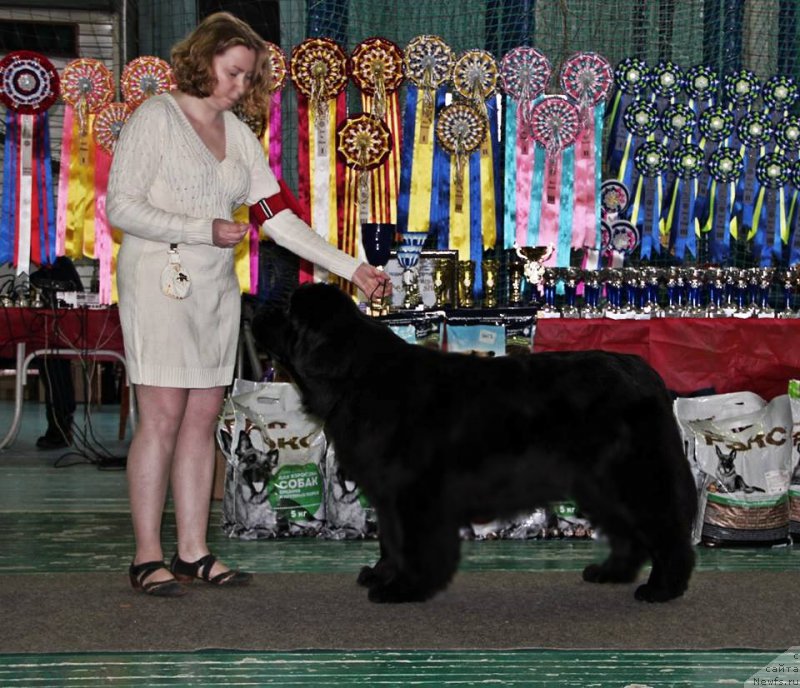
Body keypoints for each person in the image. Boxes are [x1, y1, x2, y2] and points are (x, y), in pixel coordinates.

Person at [107, 12, 391, 597]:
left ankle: (193, 552)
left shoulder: (238, 135)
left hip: (213, 287)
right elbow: (121, 208)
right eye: (233, 73)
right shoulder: (154, 117)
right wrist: (200, 227)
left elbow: (278, 219)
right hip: (160, 281)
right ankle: (145, 556)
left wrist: (352, 269)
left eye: (248, 78)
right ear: (203, 58)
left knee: (203, 420)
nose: (240, 86)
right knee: (160, 420)